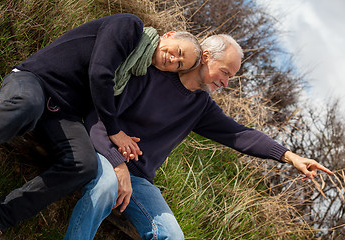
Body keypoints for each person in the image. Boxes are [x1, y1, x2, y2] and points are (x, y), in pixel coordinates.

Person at [63, 34, 333, 240]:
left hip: (139, 179)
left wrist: (290, 156)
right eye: (225, 72)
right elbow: (98, 119)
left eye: (231, 76)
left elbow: (240, 134)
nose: (226, 82)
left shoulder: (201, 107)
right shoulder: (148, 73)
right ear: (205, 57)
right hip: (103, 153)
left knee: (172, 236)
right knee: (105, 187)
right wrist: (117, 163)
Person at [0, 13, 202, 239]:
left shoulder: (136, 73)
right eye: (179, 52)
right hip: (35, 81)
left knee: (84, 164)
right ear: (169, 35)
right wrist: (114, 130)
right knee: (26, 107)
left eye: (179, 65)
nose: (173, 61)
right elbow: (100, 73)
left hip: (64, 113)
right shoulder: (130, 27)